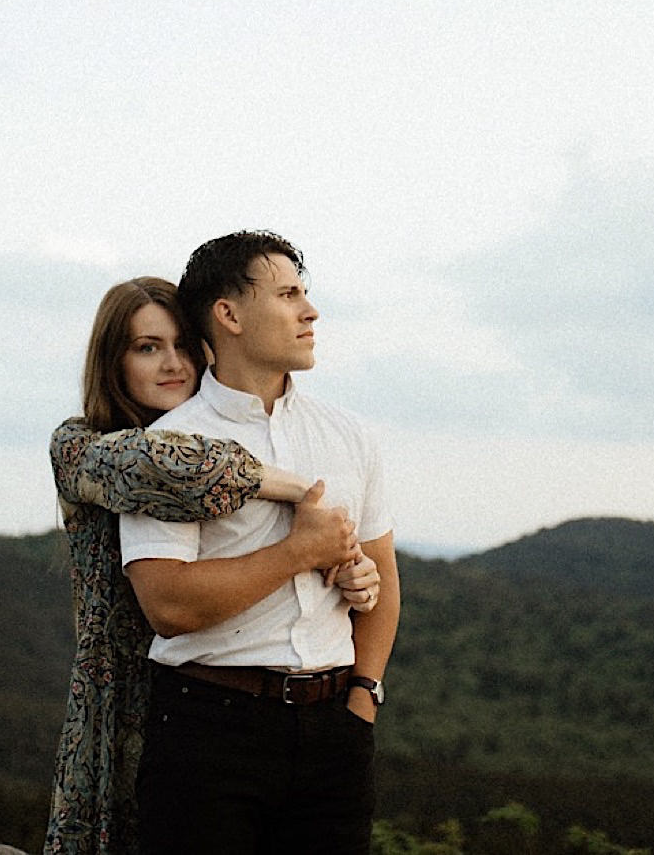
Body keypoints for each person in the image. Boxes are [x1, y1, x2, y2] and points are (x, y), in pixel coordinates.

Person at [44, 276, 377, 855]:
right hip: (125, 693)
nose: (172, 363)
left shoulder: (250, 430)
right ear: (111, 361)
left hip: (228, 706)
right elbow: (167, 462)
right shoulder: (86, 447)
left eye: (183, 345)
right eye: (147, 347)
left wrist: (348, 563)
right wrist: (298, 492)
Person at [120, 232, 400, 855]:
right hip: (208, 728)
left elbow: (384, 584)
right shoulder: (168, 448)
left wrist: (364, 698)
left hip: (334, 732)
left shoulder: (352, 437)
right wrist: (299, 552)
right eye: (289, 294)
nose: (310, 311)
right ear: (229, 314)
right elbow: (169, 605)